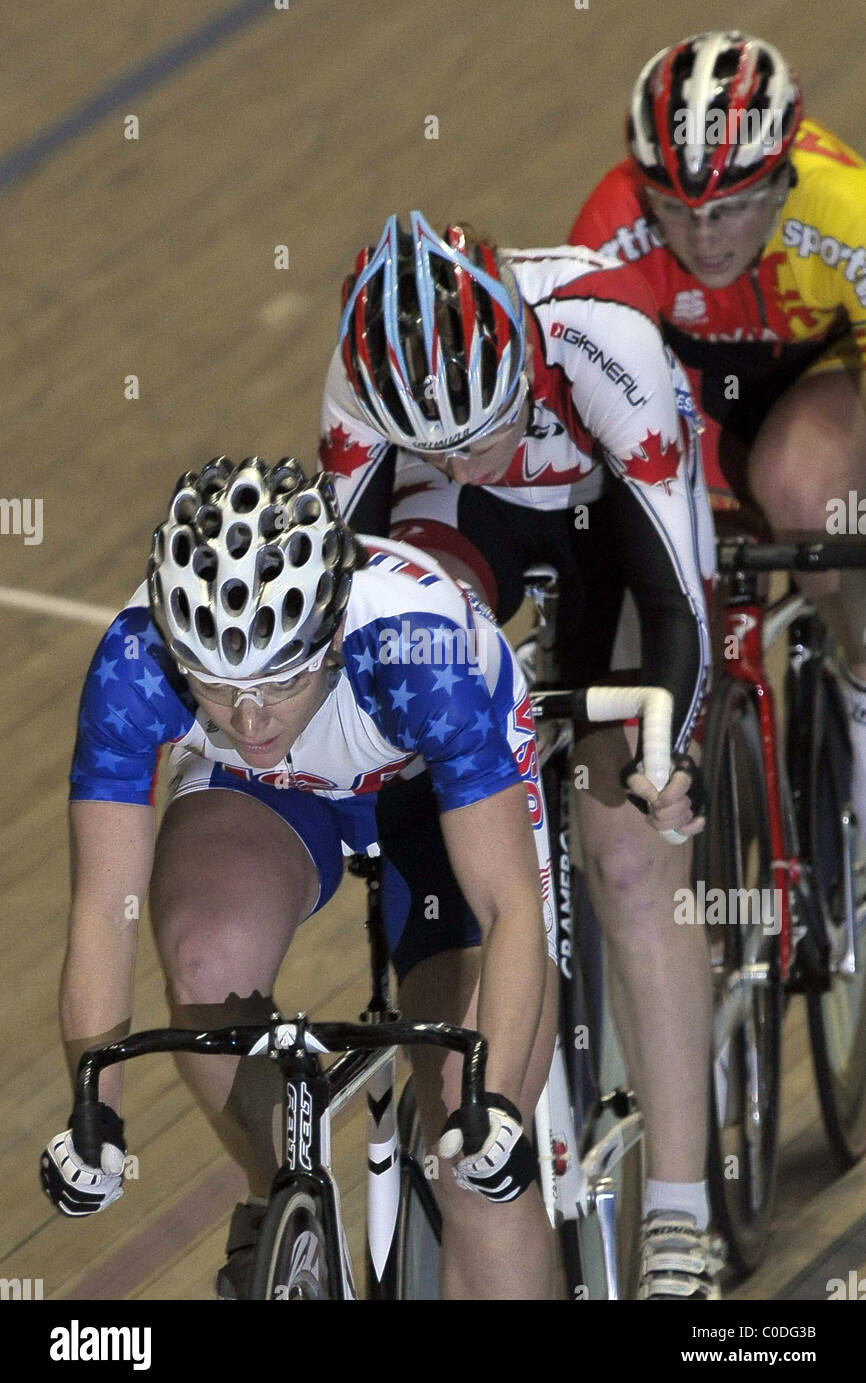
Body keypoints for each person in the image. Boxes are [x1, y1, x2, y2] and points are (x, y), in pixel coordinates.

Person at [319, 211, 725, 1297]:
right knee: (405, 704)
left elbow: (675, 606)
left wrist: (659, 759)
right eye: (437, 441)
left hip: (611, 537)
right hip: (460, 540)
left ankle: (681, 1204)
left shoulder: (605, 341)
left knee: (629, 847)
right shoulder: (365, 379)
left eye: (482, 425)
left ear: (519, 353)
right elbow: (340, 618)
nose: (466, 451)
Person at [40, 457, 560, 1301]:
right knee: (205, 960)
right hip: (273, 799)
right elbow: (105, 910)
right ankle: (277, 1185)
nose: (247, 718)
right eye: (216, 686)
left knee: (473, 1153)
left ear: (328, 636)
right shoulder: (138, 660)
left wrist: (493, 1108)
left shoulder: (415, 646)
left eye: (278, 681)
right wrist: (95, 1117)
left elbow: (509, 909)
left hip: (436, 794)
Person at [569, 28, 866, 840]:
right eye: (677, 209)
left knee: (800, 487)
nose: (703, 239)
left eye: (732, 208)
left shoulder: (845, 208)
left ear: (783, 175)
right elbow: (574, 403)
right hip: (686, 386)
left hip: (822, 372)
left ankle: (861, 674)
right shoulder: (610, 224)